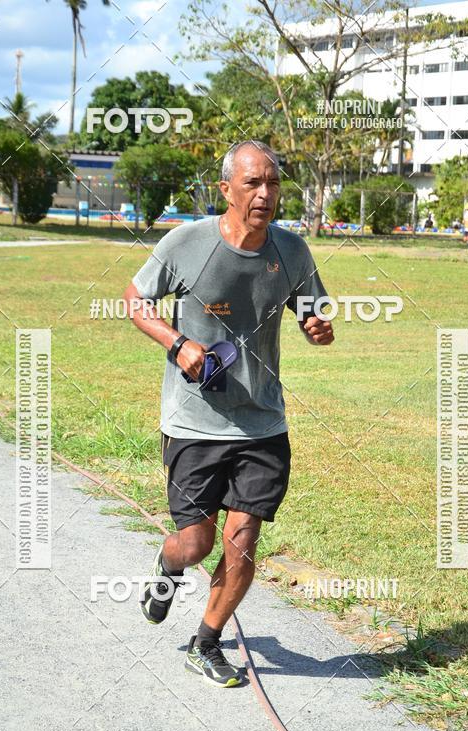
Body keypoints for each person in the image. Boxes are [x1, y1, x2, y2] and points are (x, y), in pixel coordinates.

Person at [123, 140, 334, 688]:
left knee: (243, 539)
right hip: (194, 423)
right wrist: (177, 344)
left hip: (263, 423)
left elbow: (314, 314)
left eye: (273, 183)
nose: (265, 194)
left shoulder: (292, 252)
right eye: (252, 183)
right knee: (196, 543)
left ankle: (207, 642)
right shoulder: (186, 243)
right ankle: (167, 571)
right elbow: (135, 300)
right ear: (226, 190)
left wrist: (319, 328)